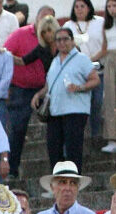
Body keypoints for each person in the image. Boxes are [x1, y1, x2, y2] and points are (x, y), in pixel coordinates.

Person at [31, 25, 98, 173]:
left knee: (73, 150)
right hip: (55, 112)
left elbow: (95, 80)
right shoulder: (55, 61)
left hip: (75, 111)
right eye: (58, 40)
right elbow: (50, 85)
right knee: (54, 150)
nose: (62, 43)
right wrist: (38, 94)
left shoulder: (81, 59)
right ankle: (58, 181)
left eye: (65, 39)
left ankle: (74, 180)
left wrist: (79, 87)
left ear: (72, 41)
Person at [4, 7, 58, 178]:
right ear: (36, 18)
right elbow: (22, 61)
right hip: (23, 89)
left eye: (49, 21)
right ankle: (13, 170)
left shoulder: (62, 42)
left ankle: (61, 170)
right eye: (43, 19)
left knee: (57, 129)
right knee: (18, 127)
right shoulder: (25, 37)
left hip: (52, 89)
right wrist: (4, 54)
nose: (46, 25)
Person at [67, 0, 105, 141]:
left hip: (97, 69)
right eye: (76, 7)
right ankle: (79, 135)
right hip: (78, 73)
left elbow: (105, 45)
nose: (79, 9)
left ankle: (95, 133)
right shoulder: (68, 25)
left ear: (89, 8)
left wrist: (90, 60)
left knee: (97, 102)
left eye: (82, 6)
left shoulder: (99, 22)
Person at [100, 0, 116, 152]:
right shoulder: (106, 26)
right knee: (111, 99)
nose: (112, 9)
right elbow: (104, 49)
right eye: (109, 7)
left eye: (114, 6)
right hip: (111, 61)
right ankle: (112, 138)